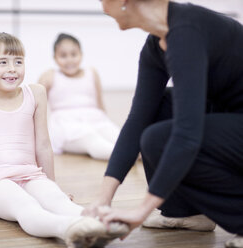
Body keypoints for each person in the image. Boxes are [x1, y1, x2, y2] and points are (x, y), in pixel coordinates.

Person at [0, 32, 128, 248]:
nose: (12, 68)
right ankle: (70, 229)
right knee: (26, 206)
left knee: (56, 201)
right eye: (3, 62)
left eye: (18, 61)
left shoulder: (35, 93)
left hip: (30, 174)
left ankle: (103, 224)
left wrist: (53, 185)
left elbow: (43, 145)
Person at [83, 1, 243, 247]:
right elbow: (137, 120)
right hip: (230, 116)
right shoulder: (156, 46)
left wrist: (141, 211)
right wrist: (103, 198)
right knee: (158, 107)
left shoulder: (186, 30)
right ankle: (185, 213)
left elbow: (187, 135)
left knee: (160, 138)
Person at [38, 33, 120, 160]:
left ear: (81, 54)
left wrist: (105, 120)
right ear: (55, 58)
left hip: (96, 119)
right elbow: (36, 106)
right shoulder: (50, 76)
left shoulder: (91, 73)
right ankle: (124, 156)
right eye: (63, 55)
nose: (69, 60)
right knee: (90, 139)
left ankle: (138, 153)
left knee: (118, 136)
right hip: (66, 125)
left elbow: (99, 103)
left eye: (74, 54)